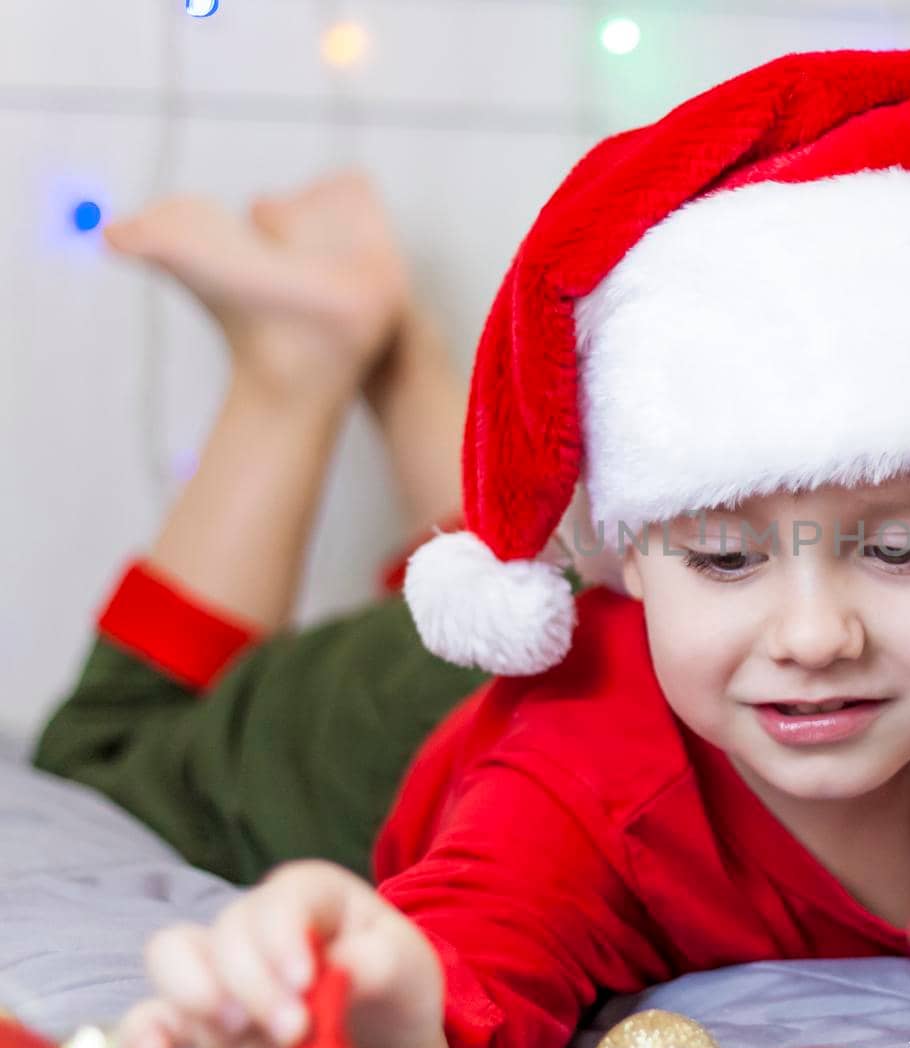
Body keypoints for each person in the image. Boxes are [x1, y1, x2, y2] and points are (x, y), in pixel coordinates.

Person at [115, 50, 910, 1048]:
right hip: (383, 705)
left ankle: (402, 362)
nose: (815, 635)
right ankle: (301, 364)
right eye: (722, 551)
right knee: (109, 734)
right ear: (628, 548)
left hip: (625, 630)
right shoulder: (578, 781)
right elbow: (456, 967)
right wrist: (371, 1005)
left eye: (905, 547)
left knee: (591, 551)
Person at [30, 171, 587, 883]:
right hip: (539, 683)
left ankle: (346, 356)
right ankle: (346, 356)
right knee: (494, 607)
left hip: (531, 688)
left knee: (94, 754)